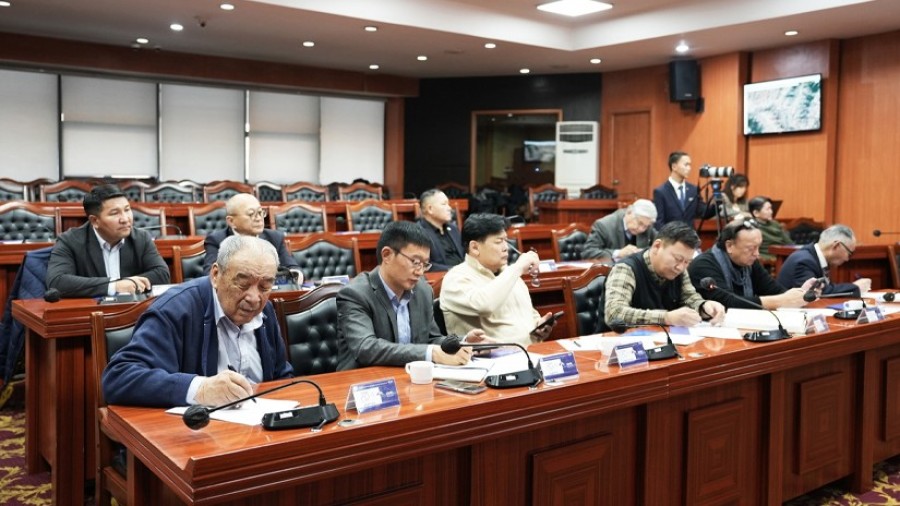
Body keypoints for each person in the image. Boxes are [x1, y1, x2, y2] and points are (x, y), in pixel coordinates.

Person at [102, 235, 293, 407]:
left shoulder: (265, 310)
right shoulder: (176, 309)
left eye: (265, 287)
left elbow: (283, 377)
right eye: (243, 284)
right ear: (216, 275)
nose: (254, 298)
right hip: (194, 429)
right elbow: (118, 378)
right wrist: (200, 389)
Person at [336, 221, 486, 370]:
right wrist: (432, 354)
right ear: (387, 255)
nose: (420, 272)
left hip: (409, 376)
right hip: (364, 379)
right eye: (415, 262)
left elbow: (431, 339)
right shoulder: (355, 294)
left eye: (425, 264)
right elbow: (366, 348)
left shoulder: (423, 291)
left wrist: (463, 342)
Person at [440, 213, 556, 347]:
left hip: (532, 351)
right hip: (490, 356)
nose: (506, 247)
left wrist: (538, 325)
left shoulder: (508, 273)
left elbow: (529, 313)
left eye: (506, 240)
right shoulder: (456, 278)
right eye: (499, 241)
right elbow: (484, 305)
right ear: (475, 247)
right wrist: (518, 267)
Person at [46, 184, 170, 298]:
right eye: (115, 213)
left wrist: (129, 283)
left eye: (127, 210)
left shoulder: (141, 238)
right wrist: (114, 285)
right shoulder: (70, 241)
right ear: (95, 221)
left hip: (134, 310)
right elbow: (56, 282)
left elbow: (162, 274)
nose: (125, 219)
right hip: (92, 310)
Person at [600, 221, 726, 331]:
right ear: (657, 246)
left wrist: (704, 307)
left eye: (687, 262)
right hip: (618, 344)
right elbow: (614, 314)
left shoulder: (680, 270)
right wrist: (666, 318)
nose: (681, 267)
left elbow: (690, 298)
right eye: (678, 259)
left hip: (662, 341)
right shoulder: (626, 268)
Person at [688, 221, 814, 309]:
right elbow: (728, 302)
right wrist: (781, 300)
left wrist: (800, 295)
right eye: (751, 248)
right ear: (730, 246)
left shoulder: (750, 262)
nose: (757, 254)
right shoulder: (703, 265)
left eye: (758, 247)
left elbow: (774, 291)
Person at [202, 193, 298, 276]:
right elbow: (211, 275)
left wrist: (295, 276)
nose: (259, 218)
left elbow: (293, 269)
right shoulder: (217, 241)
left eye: (260, 213)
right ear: (231, 221)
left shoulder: (275, 237)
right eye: (251, 214)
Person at [776, 224, 871, 297]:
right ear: (836, 246)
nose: (847, 259)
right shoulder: (804, 261)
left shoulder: (814, 256)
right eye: (849, 253)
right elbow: (817, 292)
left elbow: (825, 289)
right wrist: (855, 287)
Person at [581, 199, 658, 262]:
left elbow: (660, 245)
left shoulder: (647, 225)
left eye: (646, 226)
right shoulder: (604, 225)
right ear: (629, 212)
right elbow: (588, 252)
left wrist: (644, 252)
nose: (642, 229)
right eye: (640, 223)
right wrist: (618, 253)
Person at [652, 151, 713, 229]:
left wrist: (718, 204)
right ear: (674, 167)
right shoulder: (661, 192)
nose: (689, 168)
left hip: (690, 235)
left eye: (690, 165)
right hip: (670, 235)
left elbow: (703, 213)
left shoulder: (693, 190)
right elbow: (659, 222)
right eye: (686, 165)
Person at [416, 189, 464, 272]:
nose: (449, 208)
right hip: (440, 276)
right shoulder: (418, 232)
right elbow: (424, 264)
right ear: (430, 209)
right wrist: (453, 270)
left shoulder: (453, 229)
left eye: (448, 204)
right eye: (444, 204)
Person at [747, 196, 793, 261]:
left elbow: (789, 243)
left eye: (771, 208)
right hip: (766, 258)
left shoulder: (775, 224)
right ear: (756, 213)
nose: (771, 212)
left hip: (782, 255)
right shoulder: (751, 227)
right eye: (768, 209)